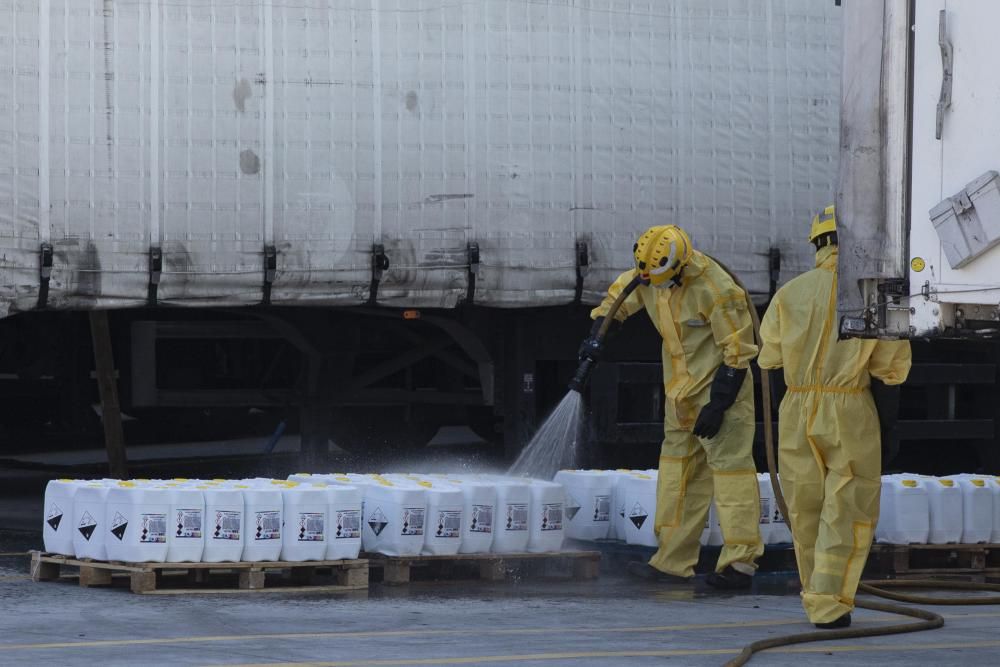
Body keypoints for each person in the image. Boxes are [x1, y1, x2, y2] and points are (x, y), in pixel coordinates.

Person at [583, 225, 764, 589]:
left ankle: (740, 564)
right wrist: (598, 334)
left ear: (680, 267)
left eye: (663, 281)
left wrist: (719, 402)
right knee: (677, 478)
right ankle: (672, 561)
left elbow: (739, 349)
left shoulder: (716, 288)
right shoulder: (649, 276)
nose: (656, 287)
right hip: (679, 398)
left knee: (731, 478)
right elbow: (618, 301)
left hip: (719, 399)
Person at [758, 205, 911, 628]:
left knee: (805, 507)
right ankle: (832, 603)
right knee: (848, 508)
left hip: (796, 408)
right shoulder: (876, 294)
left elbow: (768, 358)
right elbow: (891, 371)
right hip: (849, 410)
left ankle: (817, 599)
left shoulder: (789, 294)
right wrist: (889, 427)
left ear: (817, 243)